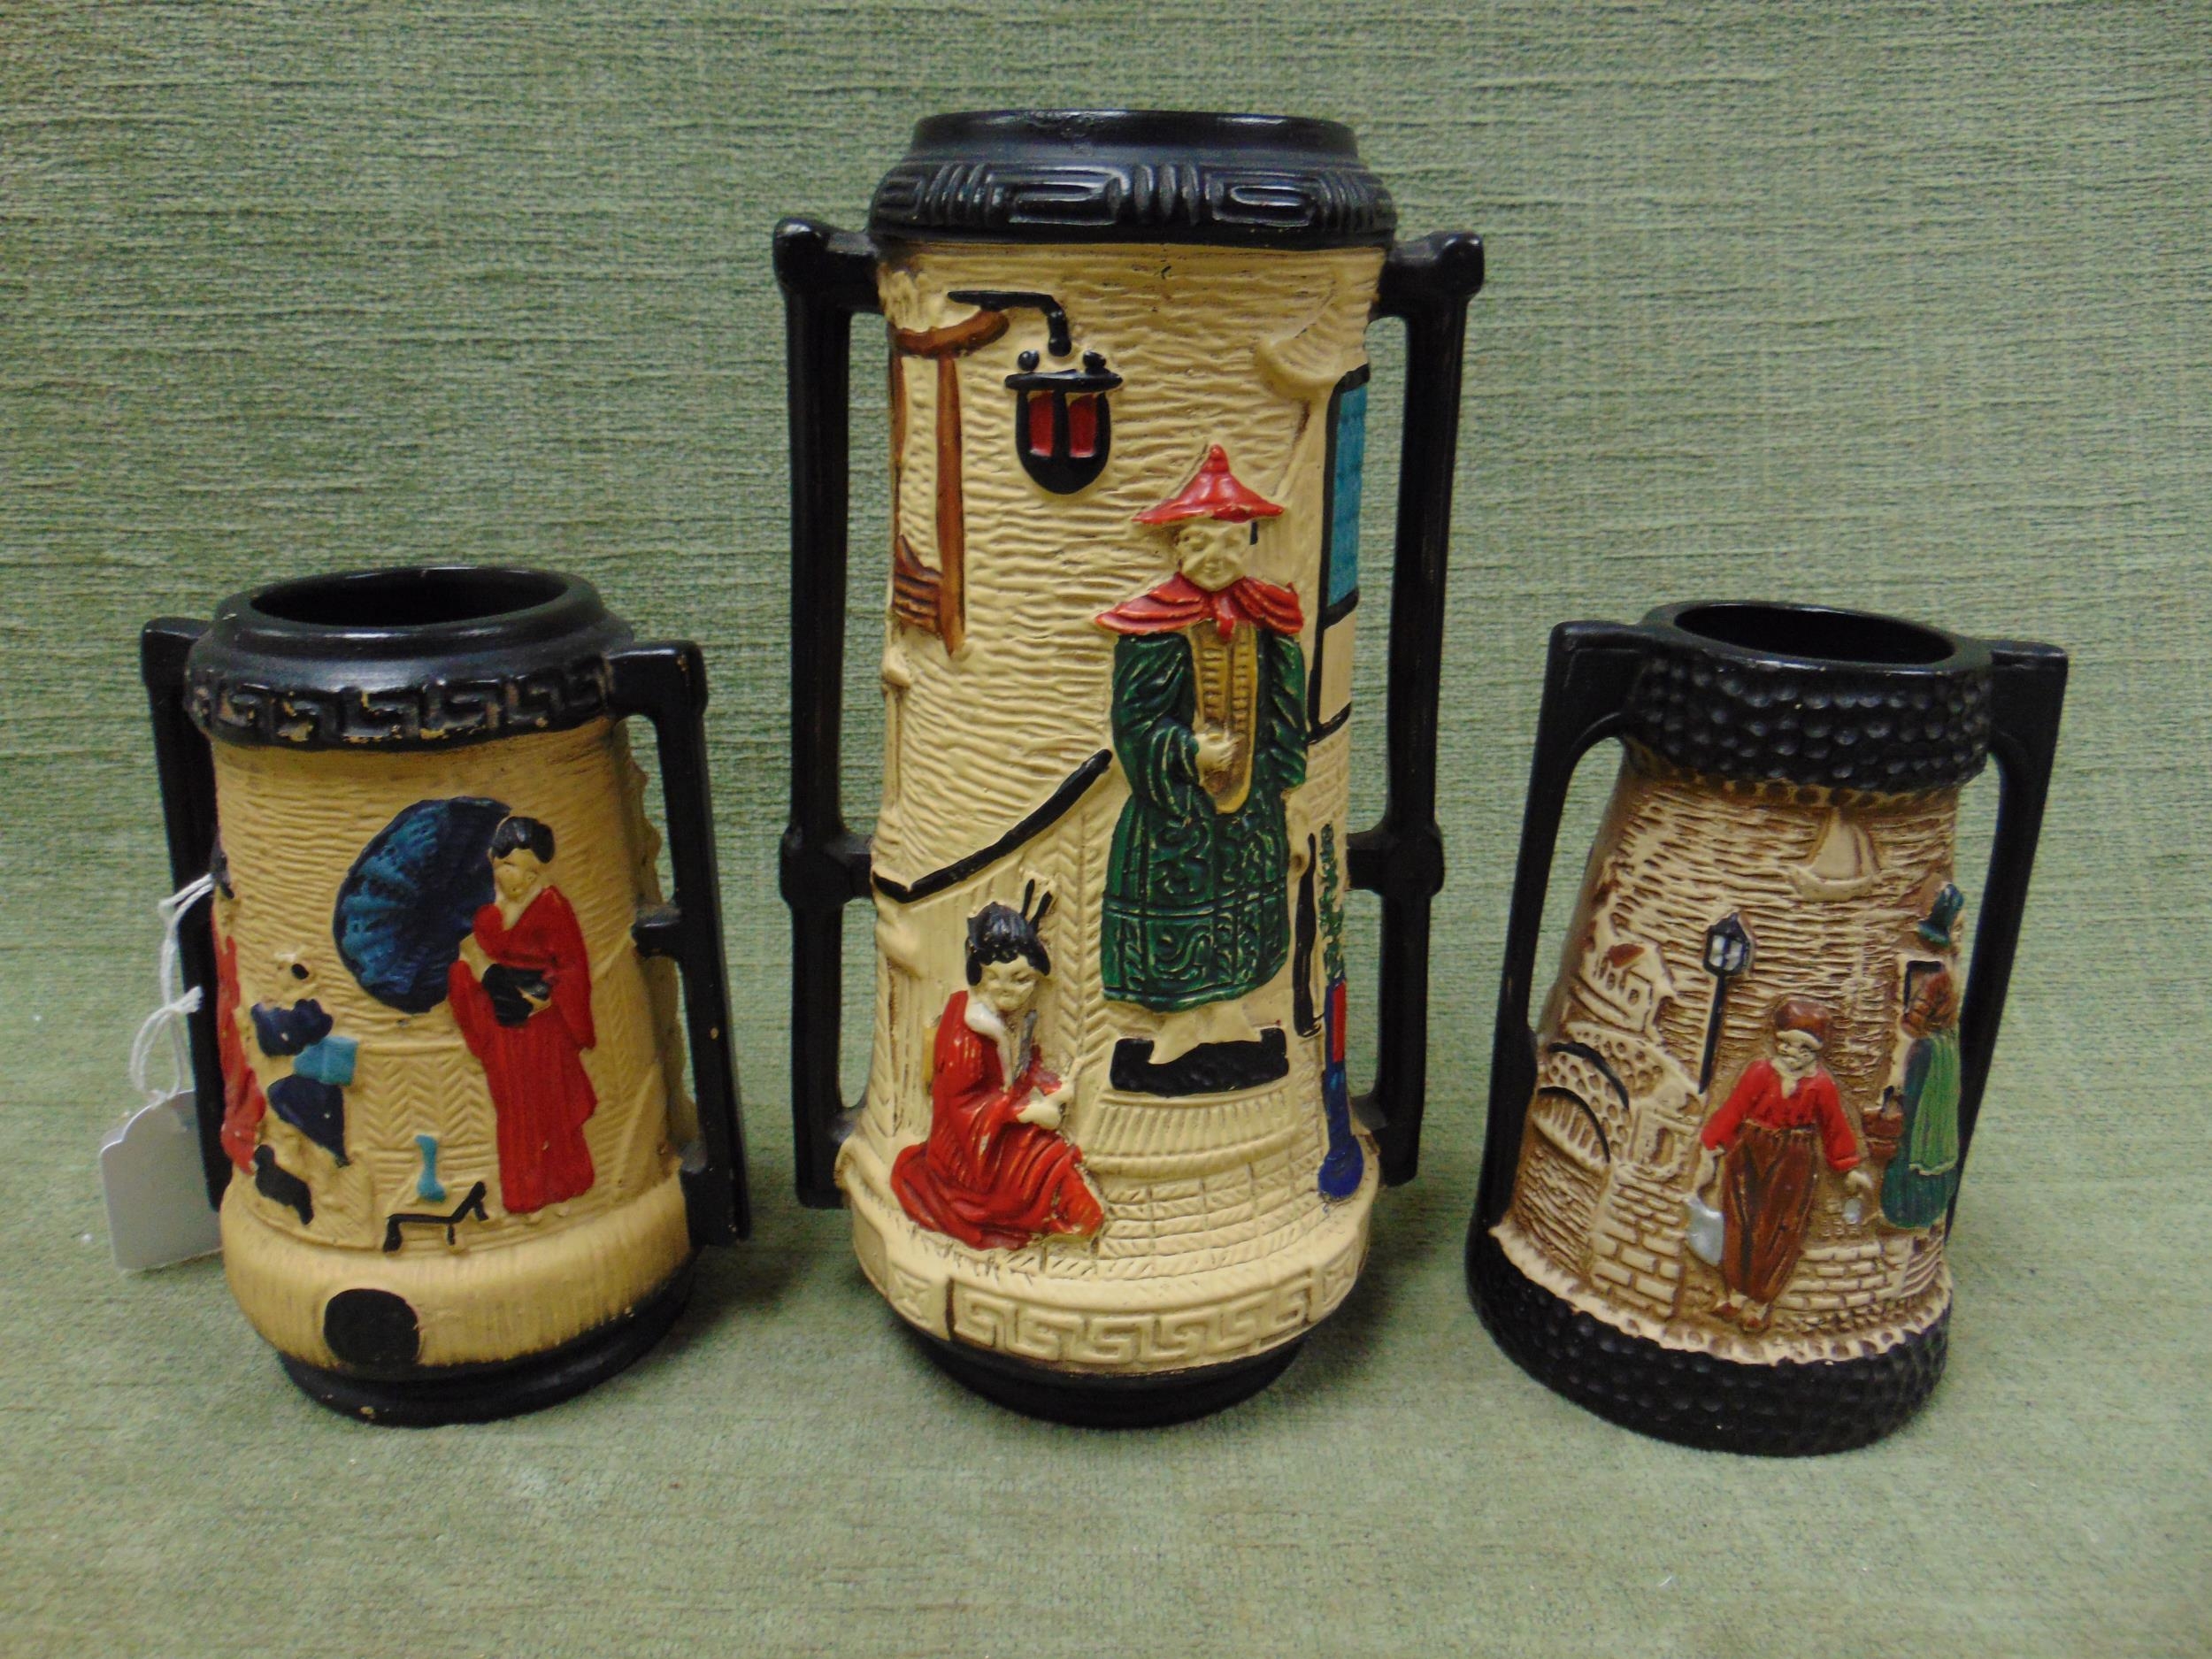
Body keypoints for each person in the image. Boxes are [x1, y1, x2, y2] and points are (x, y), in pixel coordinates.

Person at [1095, 445, 1307, 1059]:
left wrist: (1290, 795)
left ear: (1250, 543)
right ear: (1179, 549)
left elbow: (1287, 717)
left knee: (1245, 904)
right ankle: (1180, 1024)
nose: (1216, 557)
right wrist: (1186, 751)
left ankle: (1230, 1012)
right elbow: (1133, 722)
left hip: (1251, 803)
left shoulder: (1268, 622)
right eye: (1199, 543)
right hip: (1175, 810)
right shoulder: (1155, 628)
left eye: (1230, 543)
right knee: (1179, 905)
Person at [892, 887, 1103, 1251]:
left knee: (1053, 1159)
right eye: (995, 978)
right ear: (978, 973)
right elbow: (961, 1105)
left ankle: (1073, 1217)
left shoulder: (1011, 1022)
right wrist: (1028, 1113)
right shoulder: (968, 1031)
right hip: (968, 1153)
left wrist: (1052, 1088)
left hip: (1001, 1131)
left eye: (1023, 980)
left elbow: (1022, 1070)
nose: (1010, 991)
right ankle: (1062, 1222)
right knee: (1049, 1163)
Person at [447, 816, 598, 1214]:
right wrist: (476, 975)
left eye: (532, 872)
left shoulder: (551, 906)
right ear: (494, 860)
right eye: (511, 866)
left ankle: (568, 1183)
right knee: (515, 1111)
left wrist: (543, 996)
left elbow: (572, 967)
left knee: (553, 1103)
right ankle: (525, 1195)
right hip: (505, 1027)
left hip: (544, 1026)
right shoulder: (486, 915)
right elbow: (467, 964)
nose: (521, 879)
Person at [1694, 998, 1874, 1333]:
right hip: (1749, 1151)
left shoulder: (1820, 1085)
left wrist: (1848, 1168)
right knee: (1740, 1219)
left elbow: (1835, 1127)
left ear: (1816, 1051)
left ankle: (1761, 1301)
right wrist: (1711, 1145)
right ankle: (1736, 1292)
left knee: (1780, 1228)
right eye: (1786, 1044)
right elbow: (1734, 1109)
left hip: (1794, 1159)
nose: (1793, 1053)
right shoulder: (1760, 1072)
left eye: (1803, 1048)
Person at [1880, 971, 1962, 1230]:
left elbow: (1914, 1098)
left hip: (1920, 1133)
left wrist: (1895, 1102)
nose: (1914, 1009)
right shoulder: (1949, 1039)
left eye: (1922, 1003)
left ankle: (1907, 1217)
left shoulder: (1926, 1048)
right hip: (1943, 1136)